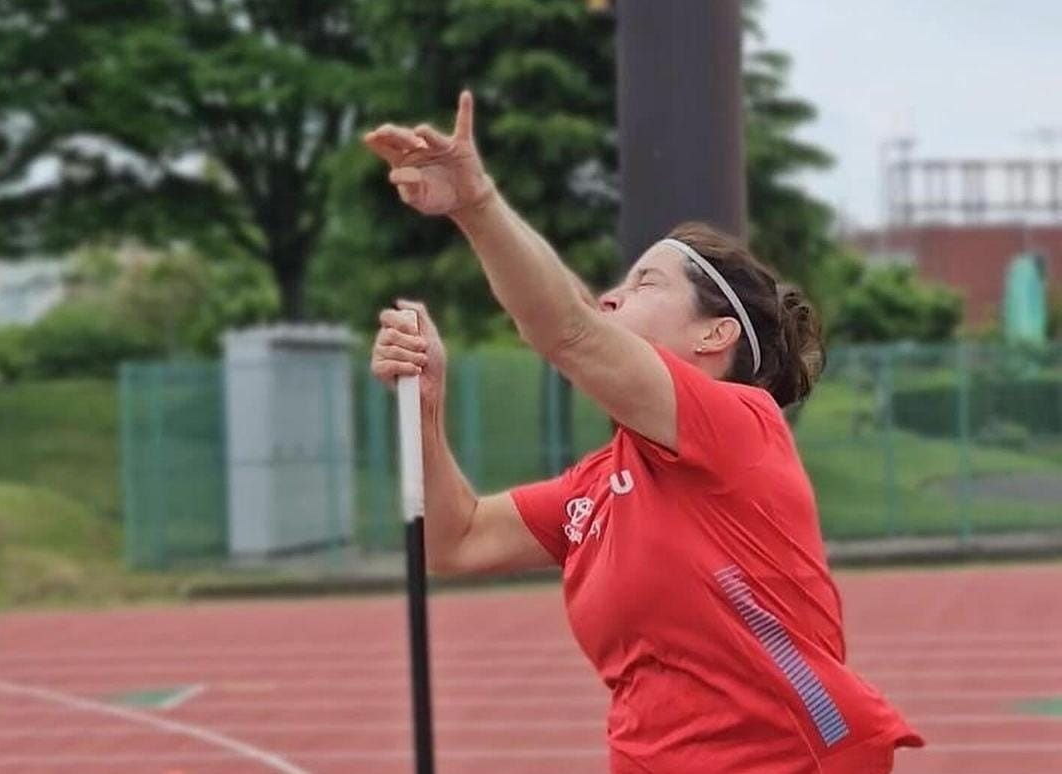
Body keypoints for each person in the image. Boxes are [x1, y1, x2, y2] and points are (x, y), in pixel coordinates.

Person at [365, 91, 923, 774]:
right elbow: (456, 540)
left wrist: (475, 202)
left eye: (644, 284)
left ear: (714, 334)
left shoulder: (740, 425)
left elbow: (566, 326)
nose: (610, 297)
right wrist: (426, 404)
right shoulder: (599, 484)